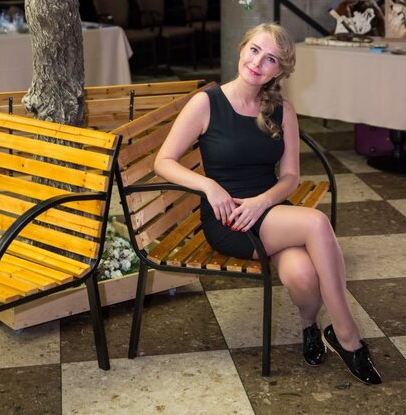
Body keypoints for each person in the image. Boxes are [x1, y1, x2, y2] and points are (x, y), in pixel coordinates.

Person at [154, 22, 381, 385]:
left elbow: (289, 177)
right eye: (255, 50)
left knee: (302, 276)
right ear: (241, 49)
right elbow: (163, 161)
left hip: (270, 210)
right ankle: (347, 336)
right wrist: (209, 186)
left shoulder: (282, 109)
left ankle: (310, 325)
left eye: (271, 59)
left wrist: (262, 202)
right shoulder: (206, 103)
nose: (258, 63)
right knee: (317, 223)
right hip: (230, 219)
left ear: (279, 70)